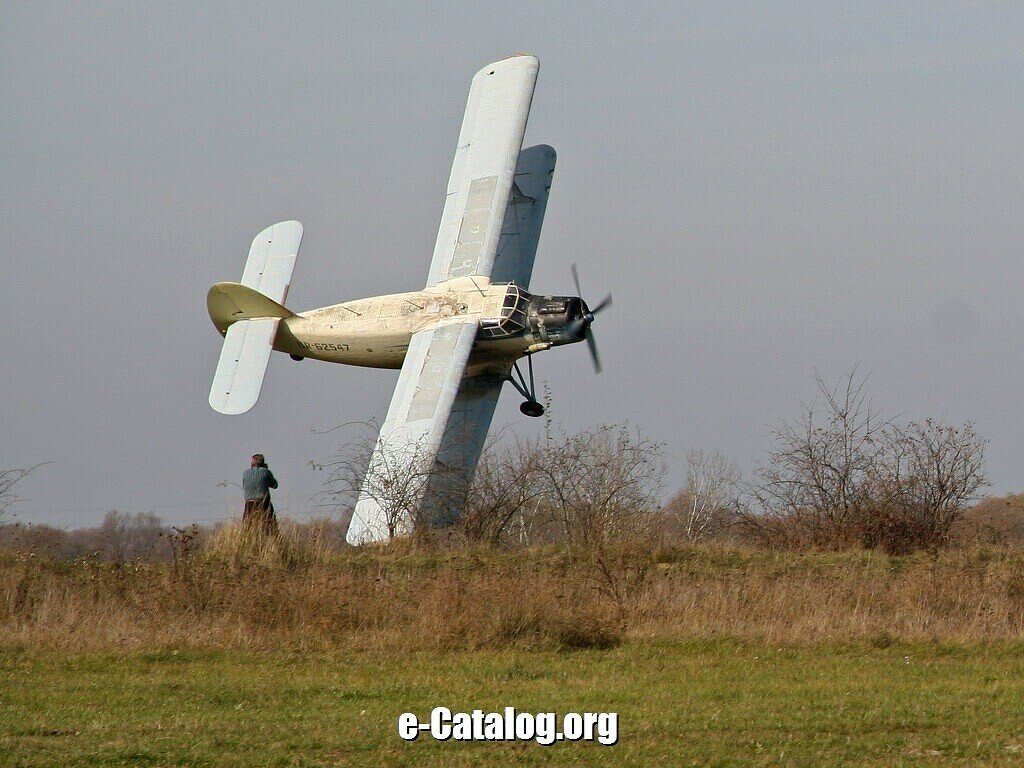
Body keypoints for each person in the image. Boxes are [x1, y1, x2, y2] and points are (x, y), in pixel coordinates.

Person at [242, 453, 279, 536]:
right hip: (263, 502)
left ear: (252, 463)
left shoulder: (245, 473)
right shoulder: (266, 472)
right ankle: (273, 539)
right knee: (271, 525)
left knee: (247, 526)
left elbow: (244, 485)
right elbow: (275, 485)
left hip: (249, 503)